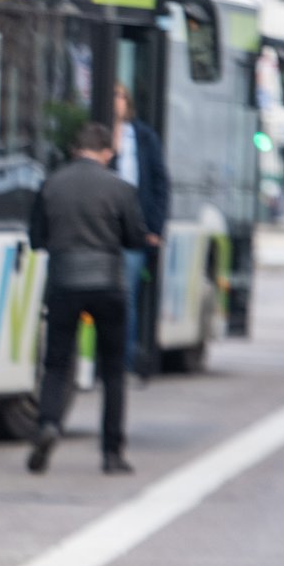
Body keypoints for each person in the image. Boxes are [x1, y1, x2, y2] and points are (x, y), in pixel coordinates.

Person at [28, 122, 151, 475]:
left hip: (65, 283)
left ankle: (48, 424)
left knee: (55, 364)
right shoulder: (121, 189)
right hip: (108, 286)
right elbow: (133, 239)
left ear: (73, 150)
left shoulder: (51, 185)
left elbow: (37, 238)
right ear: (107, 153)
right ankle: (112, 453)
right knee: (112, 371)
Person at [112, 84, 169, 376]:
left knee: (126, 297)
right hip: (102, 228)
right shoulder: (98, 138)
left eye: (120, 95)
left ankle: (122, 362)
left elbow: (160, 184)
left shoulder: (144, 137)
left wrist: (155, 228)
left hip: (134, 228)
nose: (115, 101)